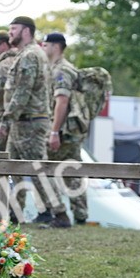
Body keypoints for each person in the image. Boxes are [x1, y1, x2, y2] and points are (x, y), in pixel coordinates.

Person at [0, 16, 67, 227]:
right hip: (22, 122)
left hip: (30, 122)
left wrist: (6, 121)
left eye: (13, 29)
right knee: (14, 169)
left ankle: (60, 214)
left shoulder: (30, 55)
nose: (10, 34)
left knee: (38, 170)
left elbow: (22, 92)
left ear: (26, 31)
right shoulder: (29, 54)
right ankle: (15, 213)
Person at [41, 32, 87, 225]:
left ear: (55, 46)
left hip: (65, 131)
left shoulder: (62, 70)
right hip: (62, 129)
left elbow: (62, 101)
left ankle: (79, 215)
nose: (43, 48)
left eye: (45, 45)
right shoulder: (53, 68)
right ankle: (73, 214)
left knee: (69, 171)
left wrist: (54, 131)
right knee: (59, 170)